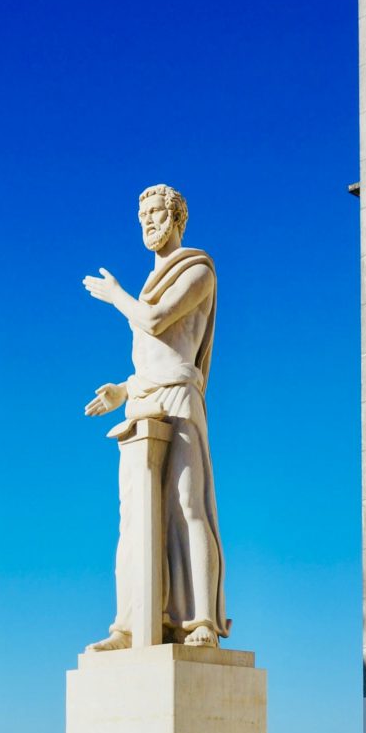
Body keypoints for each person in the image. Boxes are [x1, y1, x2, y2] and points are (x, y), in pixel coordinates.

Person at [82, 184, 230, 650]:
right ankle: (131, 624)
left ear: (177, 217)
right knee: (135, 519)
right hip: (143, 402)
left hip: (181, 399)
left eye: (156, 212)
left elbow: (154, 321)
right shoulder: (150, 284)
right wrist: (123, 388)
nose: (148, 221)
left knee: (187, 506)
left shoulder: (197, 270)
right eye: (142, 214)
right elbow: (152, 354)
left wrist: (116, 295)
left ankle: (199, 620)